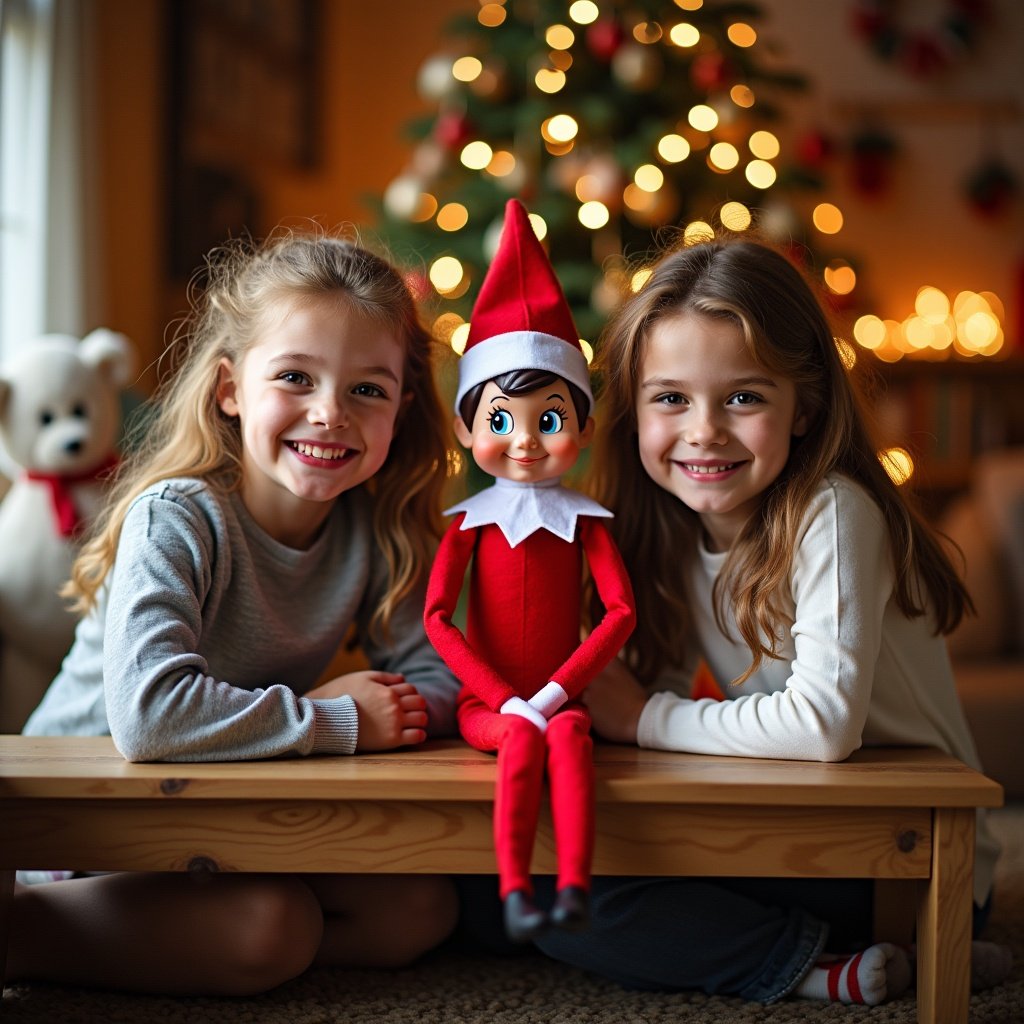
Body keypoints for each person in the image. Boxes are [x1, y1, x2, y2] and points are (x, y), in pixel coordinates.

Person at [529, 234, 1008, 1006]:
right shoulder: (669, 527)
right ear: (635, 408)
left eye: (744, 397)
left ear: (805, 408)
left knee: (565, 906)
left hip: (901, 846)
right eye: (671, 398)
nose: (705, 430)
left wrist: (645, 716)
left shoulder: (835, 515)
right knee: (517, 876)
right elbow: (648, 693)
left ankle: (829, 963)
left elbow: (822, 727)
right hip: (803, 818)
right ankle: (870, 956)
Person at [11, 228, 461, 995]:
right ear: (230, 390)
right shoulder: (177, 517)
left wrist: (399, 709)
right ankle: (23, 930)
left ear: (400, 408)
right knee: (270, 928)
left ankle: (193, 930)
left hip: (223, 807)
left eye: (367, 389)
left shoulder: (372, 527)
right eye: (296, 377)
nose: (330, 414)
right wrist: (335, 721)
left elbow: (435, 675)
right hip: (92, 822)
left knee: (416, 909)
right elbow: (149, 716)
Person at [424, 199, 635, 942]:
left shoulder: (586, 522)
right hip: (492, 708)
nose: (524, 442)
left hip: (559, 694)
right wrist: (502, 699)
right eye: (499, 420)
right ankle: (516, 888)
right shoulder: (467, 526)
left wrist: (553, 692)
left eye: (548, 420)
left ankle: (574, 884)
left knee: (571, 736)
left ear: (579, 423)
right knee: (521, 741)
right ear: (465, 427)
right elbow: (436, 620)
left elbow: (619, 614)